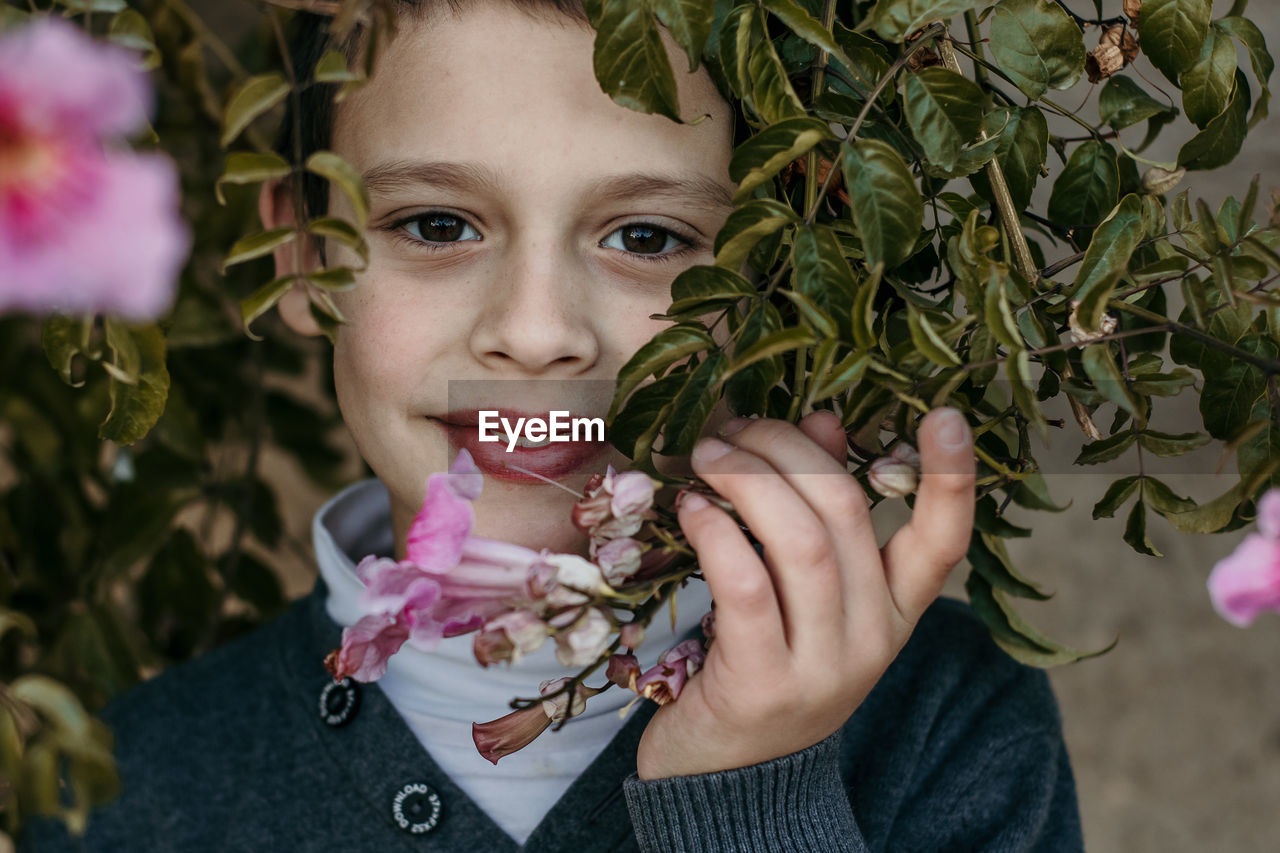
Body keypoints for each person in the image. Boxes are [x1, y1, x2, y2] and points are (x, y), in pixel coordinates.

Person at [20, 1, 1084, 850]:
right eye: (436, 225)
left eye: (648, 235)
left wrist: (743, 799)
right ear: (301, 257)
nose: (536, 336)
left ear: (789, 279)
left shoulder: (945, 727)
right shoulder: (128, 785)